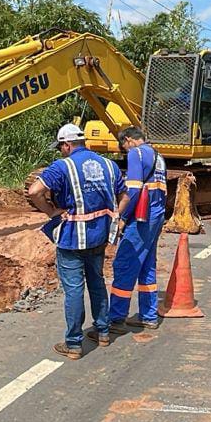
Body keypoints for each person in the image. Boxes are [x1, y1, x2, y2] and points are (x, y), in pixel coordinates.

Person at [27, 123, 124, 360]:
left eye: (61, 147)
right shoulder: (108, 165)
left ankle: (73, 344)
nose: (61, 151)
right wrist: (116, 217)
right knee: (97, 282)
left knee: (74, 290)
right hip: (99, 236)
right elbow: (125, 195)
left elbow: (34, 191)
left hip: (72, 238)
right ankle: (103, 332)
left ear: (67, 145)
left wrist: (51, 211)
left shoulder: (63, 166)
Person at [108, 126, 166, 331]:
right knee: (147, 265)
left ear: (129, 140)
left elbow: (133, 190)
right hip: (156, 215)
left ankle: (116, 318)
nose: (126, 152)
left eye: (124, 147)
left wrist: (122, 218)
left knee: (125, 262)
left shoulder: (136, 153)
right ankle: (148, 316)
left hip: (142, 218)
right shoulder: (158, 156)